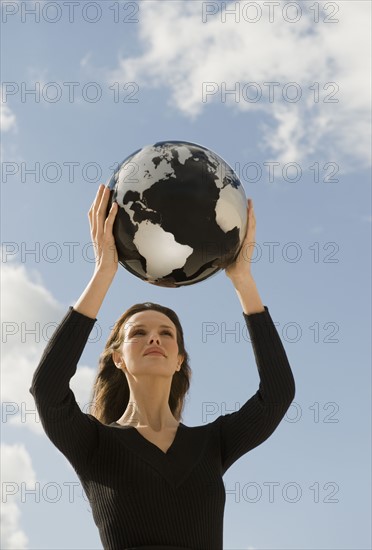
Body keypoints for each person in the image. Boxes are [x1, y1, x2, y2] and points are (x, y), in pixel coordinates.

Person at [30, 184, 296, 550]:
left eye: (166, 333)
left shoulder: (213, 444)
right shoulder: (93, 445)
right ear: (118, 358)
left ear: (179, 360)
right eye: (138, 333)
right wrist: (104, 272)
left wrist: (243, 281)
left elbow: (277, 394)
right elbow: (47, 390)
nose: (154, 338)